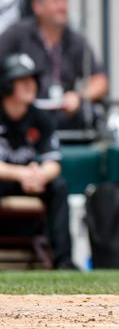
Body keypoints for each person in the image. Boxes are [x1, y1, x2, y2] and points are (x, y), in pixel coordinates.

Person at [0, 0, 108, 131]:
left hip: (62, 115)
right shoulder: (18, 33)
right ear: (38, 6)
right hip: (25, 117)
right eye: (55, 1)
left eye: (65, 1)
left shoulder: (75, 40)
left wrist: (79, 96)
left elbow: (100, 81)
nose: (62, 7)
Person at [0, 52, 76, 270]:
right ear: (6, 85)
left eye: (32, 80)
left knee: (59, 186)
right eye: (22, 80)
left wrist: (40, 175)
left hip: (30, 181)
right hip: (7, 179)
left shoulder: (41, 117)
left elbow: (54, 161)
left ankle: (63, 263)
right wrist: (21, 173)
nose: (30, 85)